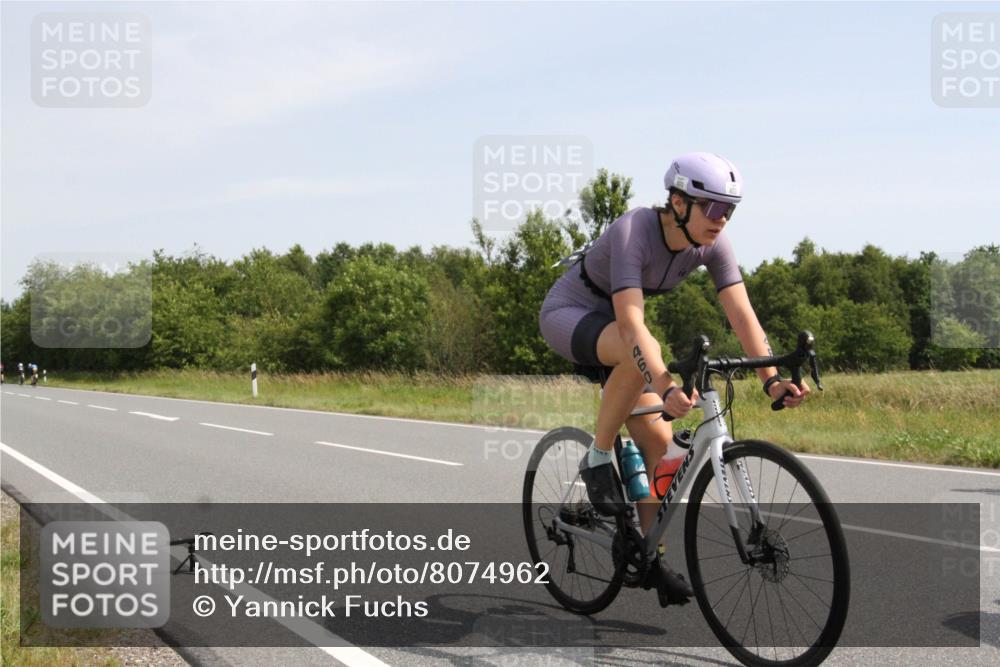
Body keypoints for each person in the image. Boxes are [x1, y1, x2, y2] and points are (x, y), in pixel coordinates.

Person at [539, 152, 811, 606]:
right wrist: (665, 385)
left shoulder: (713, 245)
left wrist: (771, 379)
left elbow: (742, 315)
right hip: (571, 314)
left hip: (622, 333)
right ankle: (598, 457)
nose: (721, 219)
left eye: (730, 210)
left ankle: (650, 555)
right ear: (679, 202)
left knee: (662, 447)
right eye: (713, 207)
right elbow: (632, 326)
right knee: (642, 350)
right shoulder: (634, 230)